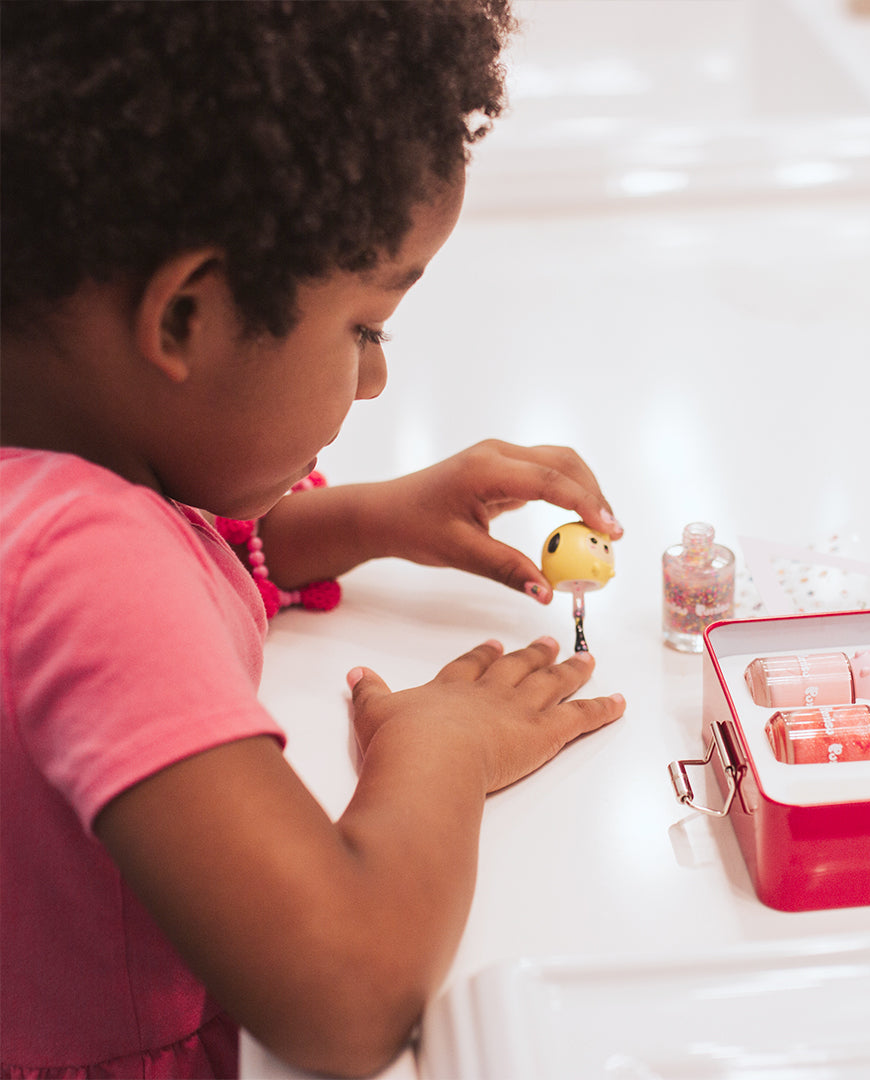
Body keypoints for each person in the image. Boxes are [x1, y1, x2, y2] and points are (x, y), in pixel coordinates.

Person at [0, 3, 626, 1077]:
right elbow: (347, 997)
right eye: (365, 328)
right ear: (186, 316)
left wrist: (367, 518)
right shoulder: (82, 565)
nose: (377, 378)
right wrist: (444, 745)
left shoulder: (51, 455)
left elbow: (168, 548)